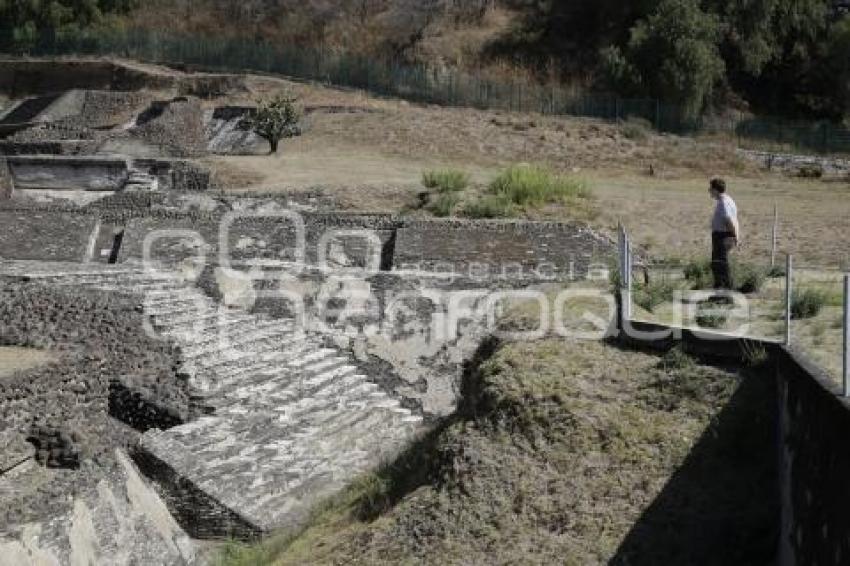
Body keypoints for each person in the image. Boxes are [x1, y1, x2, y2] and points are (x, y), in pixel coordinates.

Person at [708, 177, 739, 289]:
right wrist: (736, 236)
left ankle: (723, 293)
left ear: (716, 190)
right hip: (725, 236)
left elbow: (730, 221)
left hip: (722, 236)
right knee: (720, 264)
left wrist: (735, 236)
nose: (709, 191)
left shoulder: (724, 203)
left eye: (710, 188)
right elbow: (735, 221)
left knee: (719, 265)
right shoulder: (728, 200)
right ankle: (722, 291)